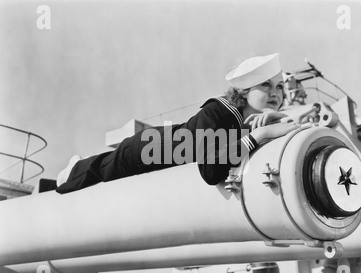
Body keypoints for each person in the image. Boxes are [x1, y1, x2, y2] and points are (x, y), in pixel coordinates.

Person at [56, 53, 299, 194]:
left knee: (104, 166)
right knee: (103, 168)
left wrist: (270, 124)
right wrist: (261, 133)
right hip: (150, 149)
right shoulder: (219, 111)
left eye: (279, 86)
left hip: (161, 150)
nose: (275, 93)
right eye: (266, 85)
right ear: (244, 92)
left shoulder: (243, 120)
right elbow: (210, 170)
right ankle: (73, 170)